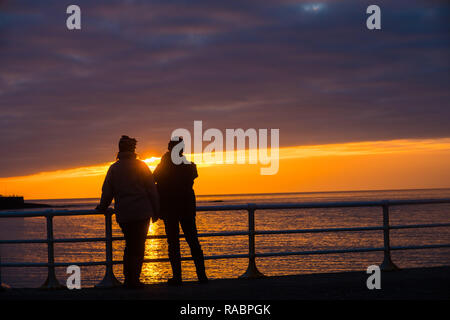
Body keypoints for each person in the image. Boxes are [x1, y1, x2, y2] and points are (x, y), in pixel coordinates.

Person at [96, 135, 159, 289]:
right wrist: (156, 211)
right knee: (138, 246)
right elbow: (152, 190)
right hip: (142, 213)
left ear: (119, 149)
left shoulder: (114, 168)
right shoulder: (141, 166)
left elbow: (107, 192)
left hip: (124, 213)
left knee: (129, 245)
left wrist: (102, 207)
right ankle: (134, 279)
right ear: (133, 150)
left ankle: (128, 278)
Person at [153, 137, 208, 285]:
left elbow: (154, 178)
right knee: (193, 241)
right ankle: (202, 275)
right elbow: (193, 174)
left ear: (170, 149)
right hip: (187, 207)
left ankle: (177, 277)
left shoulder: (165, 165)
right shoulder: (188, 166)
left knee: (173, 243)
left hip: (170, 208)